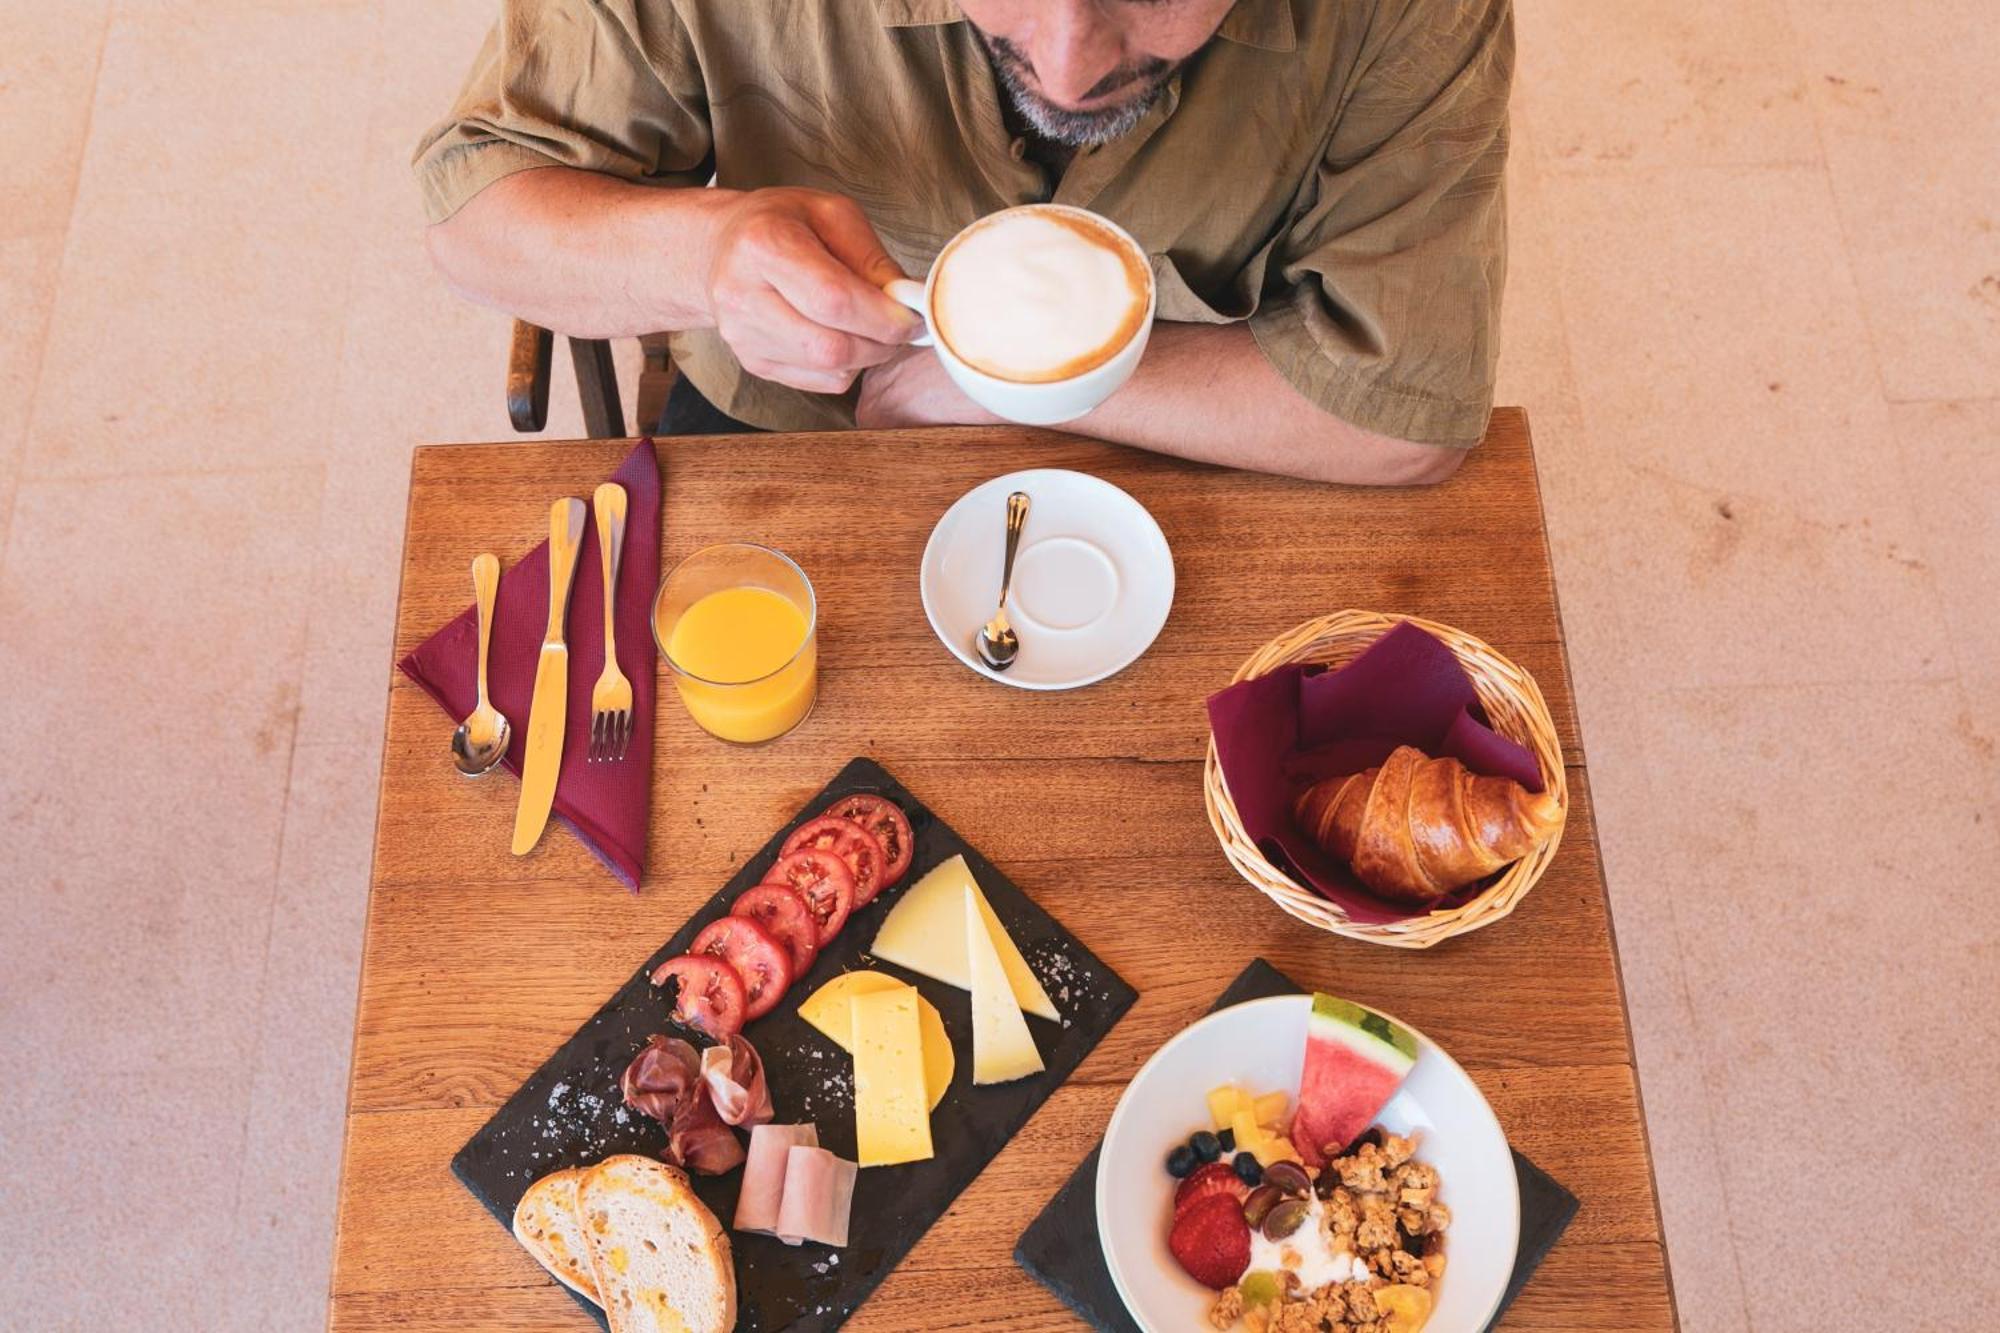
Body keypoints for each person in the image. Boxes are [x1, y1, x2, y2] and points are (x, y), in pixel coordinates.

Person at [416, 0, 1512, 485]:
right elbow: (474, 224)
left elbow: (1404, 422)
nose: (1072, 71)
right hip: (786, 420)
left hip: (1212, 437)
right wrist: (704, 250)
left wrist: (988, 380)